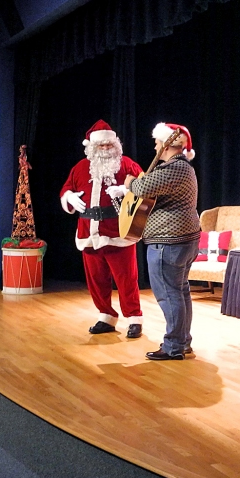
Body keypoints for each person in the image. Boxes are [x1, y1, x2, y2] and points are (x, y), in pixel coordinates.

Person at [60, 120, 145, 337]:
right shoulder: (80, 168)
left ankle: (134, 318)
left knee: (126, 279)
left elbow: (146, 187)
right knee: (96, 280)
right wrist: (69, 197)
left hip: (118, 231)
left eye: (109, 145)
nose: (105, 149)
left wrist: (127, 191)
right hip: (88, 232)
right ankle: (106, 315)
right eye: (101, 146)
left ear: (115, 145)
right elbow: (66, 190)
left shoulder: (127, 165)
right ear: (92, 147)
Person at [125, 123, 201, 360]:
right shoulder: (181, 168)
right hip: (182, 240)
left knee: (169, 294)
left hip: (169, 242)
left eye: (157, 142)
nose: (155, 146)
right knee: (179, 292)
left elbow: (142, 186)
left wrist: (129, 182)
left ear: (167, 145)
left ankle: (173, 346)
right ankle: (182, 342)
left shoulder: (175, 168)